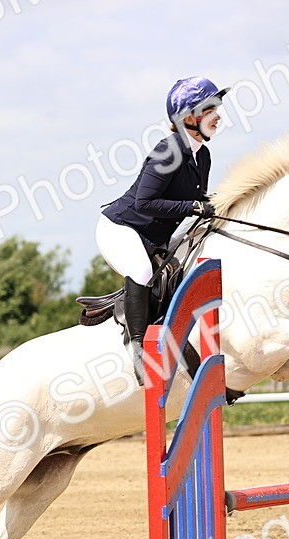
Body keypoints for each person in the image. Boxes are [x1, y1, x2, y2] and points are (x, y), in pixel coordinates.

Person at [98, 76, 228, 384]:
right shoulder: (168, 151)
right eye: (209, 109)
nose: (218, 115)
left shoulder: (203, 155)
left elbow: (197, 200)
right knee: (142, 272)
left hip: (155, 236)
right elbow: (145, 202)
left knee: (180, 277)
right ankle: (137, 349)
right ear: (188, 119)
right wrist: (194, 208)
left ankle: (194, 364)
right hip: (122, 228)